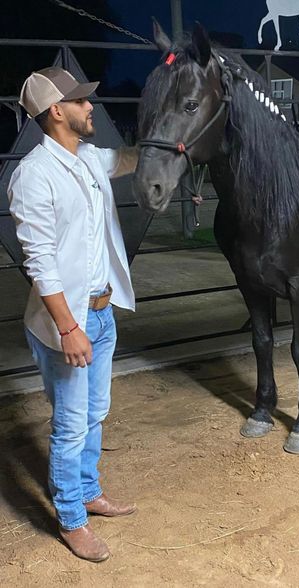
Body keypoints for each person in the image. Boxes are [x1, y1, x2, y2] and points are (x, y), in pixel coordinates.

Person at [8, 67, 139, 563]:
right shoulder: (33, 176)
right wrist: (68, 326)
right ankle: (72, 518)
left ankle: (87, 489)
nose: (91, 109)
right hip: (69, 323)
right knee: (70, 424)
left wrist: (175, 143)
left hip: (102, 315)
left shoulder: (86, 160)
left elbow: (126, 159)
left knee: (94, 413)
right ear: (56, 111)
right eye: (81, 103)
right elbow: (39, 262)